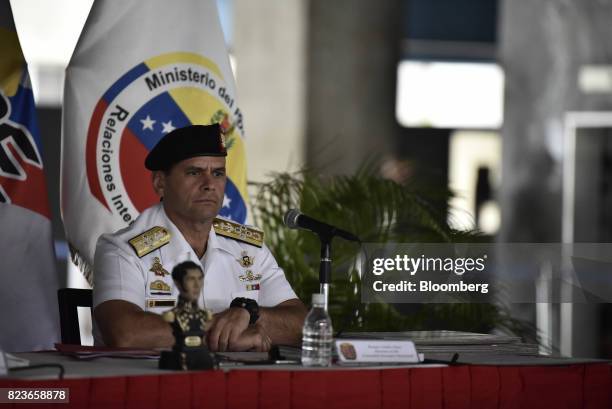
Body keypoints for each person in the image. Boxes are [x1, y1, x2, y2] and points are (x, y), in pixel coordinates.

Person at [93, 124, 306, 351]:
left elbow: (303, 325)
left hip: (236, 380)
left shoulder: (248, 247)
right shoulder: (122, 249)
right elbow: (125, 334)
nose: (209, 185)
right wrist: (222, 328)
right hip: (153, 382)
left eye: (217, 173)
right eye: (194, 172)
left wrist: (248, 315)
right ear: (160, 183)